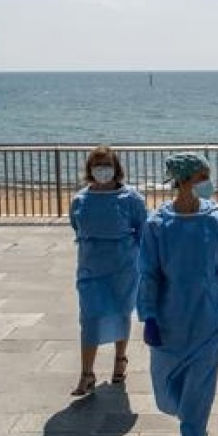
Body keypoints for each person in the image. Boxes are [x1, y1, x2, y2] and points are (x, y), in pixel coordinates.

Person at [137, 152, 218, 436]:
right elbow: (148, 273)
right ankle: (190, 421)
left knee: (199, 388)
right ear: (184, 181)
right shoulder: (158, 224)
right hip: (169, 318)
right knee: (167, 390)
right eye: (202, 177)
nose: (208, 183)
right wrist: (149, 315)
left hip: (209, 318)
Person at [68, 145, 147, 397]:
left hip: (123, 267)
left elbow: (143, 231)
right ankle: (86, 373)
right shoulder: (80, 199)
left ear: (116, 168)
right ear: (90, 168)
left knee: (121, 313)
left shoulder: (131, 199)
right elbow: (76, 225)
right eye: (97, 165)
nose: (102, 170)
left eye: (107, 165)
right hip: (91, 268)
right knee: (89, 318)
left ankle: (120, 360)